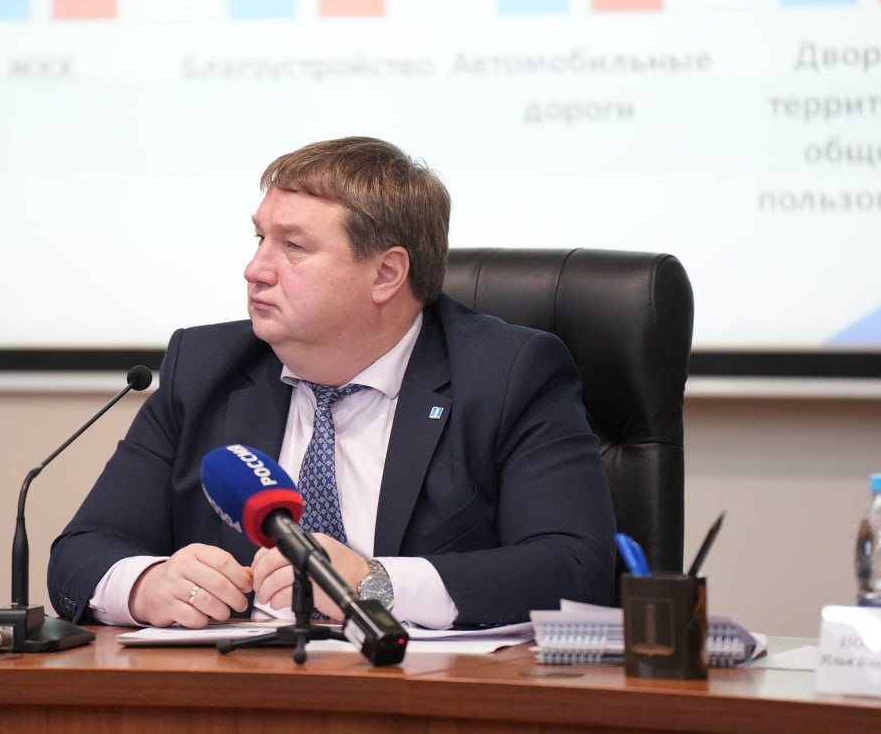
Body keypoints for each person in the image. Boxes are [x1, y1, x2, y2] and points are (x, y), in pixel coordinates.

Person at [47, 136, 615, 630]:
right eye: (259, 238)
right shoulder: (203, 368)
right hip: (239, 691)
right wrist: (146, 584)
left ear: (386, 273)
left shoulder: (507, 374)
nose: (256, 269)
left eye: (293, 246)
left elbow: (575, 569)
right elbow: (81, 553)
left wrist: (374, 583)